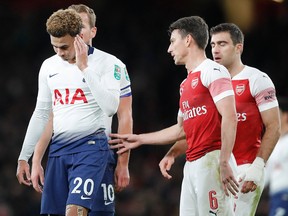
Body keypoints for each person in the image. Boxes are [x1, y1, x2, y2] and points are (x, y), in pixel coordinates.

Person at [109, 16, 239, 216]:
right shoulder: (185, 85)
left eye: (172, 41)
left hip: (213, 160)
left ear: (188, 40)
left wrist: (223, 162)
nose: (169, 49)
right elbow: (182, 129)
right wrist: (145, 141)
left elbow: (230, 116)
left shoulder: (214, 71)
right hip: (192, 164)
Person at [16, 4, 132, 215]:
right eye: (55, 47)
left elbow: (113, 109)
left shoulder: (110, 64)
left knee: (76, 212)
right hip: (59, 150)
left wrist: (84, 68)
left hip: (93, 148)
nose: (59, 53)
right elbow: (43, 114)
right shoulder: (49, 66)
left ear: (79, 36)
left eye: (64, 47)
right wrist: (28, 156)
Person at [158, 23, 281, 216]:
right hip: (213, 169)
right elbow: (196, 128)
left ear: (238, 47)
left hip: (244, 170)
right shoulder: (207, 81)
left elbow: (274, 126)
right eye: (213, 44)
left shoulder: (257, 79)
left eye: (222, 44)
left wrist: (258, 166)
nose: (215, 49)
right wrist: (173, 152)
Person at [265, 96, 288, 216]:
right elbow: (266, 174)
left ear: (285, 116)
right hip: (275, 196)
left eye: (277, 113)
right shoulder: (275, 144)